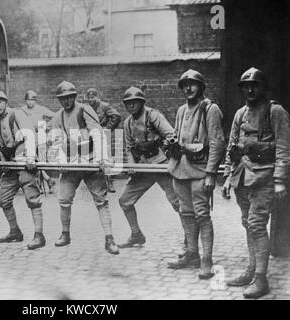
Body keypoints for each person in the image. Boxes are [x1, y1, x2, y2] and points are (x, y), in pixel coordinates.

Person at [222, 67, 290, 298]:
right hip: (242, 177)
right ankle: (251, 270)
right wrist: (227, 177)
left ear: (263, 87)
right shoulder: (240, 113)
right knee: (247, 224)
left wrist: (280, 180)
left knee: (257, 225)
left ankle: (261, 280)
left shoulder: (276, 111)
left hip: (264, 178)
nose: (250, 90)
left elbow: (283, 148)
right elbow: (232, 147)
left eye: (255, 85)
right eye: (245, 86)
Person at [47, 80, 119, 255]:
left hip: (91, 161)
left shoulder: (84, 109)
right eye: (62, 98)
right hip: (72, 163)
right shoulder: (58, 116)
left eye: (69, 97)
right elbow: (53, 136)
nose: (66, 101)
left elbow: (97, 131)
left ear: (74, 96)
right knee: (63, 200)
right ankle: (65, 234)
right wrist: (53, 147)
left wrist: (102, 158)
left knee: (101, 201)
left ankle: (109, 239)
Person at [166, 70, 225, 280]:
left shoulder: (211, 109)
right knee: (186, 214)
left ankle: (206, 260)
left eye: (192, 84)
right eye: (185, 85)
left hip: (200, 171)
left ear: (201, 87)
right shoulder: (182, 110)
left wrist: (211, 174)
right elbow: (176, 134)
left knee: (202, 215)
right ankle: (192, 254)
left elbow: (217, 142)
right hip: (180, 170)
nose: (188, 88)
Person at [118, 86, 182, 250]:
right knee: (125, 201)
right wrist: (132, 165)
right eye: (128, 103)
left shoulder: (153, 115)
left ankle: (190, 240)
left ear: (141, 102)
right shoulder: (127, 123)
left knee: (177, 202)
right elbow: (129, 148)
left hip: (161, 164)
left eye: (134, 102)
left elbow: (171, 135)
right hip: (144, 167)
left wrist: (167, 155)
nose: (131, 106)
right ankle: (136, 235)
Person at [0, 89, 46, 250]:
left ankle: (39, 235)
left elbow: (30, 134)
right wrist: (3, 165)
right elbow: (1, 147)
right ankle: (15, 231)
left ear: (6, 102)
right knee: (3, 200)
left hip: (25, 163)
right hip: (11, 166)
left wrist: (30, 157)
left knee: (33, 199)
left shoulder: (17, 114)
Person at [86, 88, 121, 193]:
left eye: (93, 97)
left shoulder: (104, 106)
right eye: (89, 97)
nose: (91, 99)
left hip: (104, 134)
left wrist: (108, 128)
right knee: (94, 157)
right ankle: (97, 182)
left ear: (97, 97)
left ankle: (110, 182)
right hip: (92, 135)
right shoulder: (87, 108)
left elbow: (116, 116)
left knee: (107, 157)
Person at [20, 90, 56, 194]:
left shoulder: (41, 109)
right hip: (28, 139)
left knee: (39, 161)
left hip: (39, 137)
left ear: (35, 100)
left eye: (33, 100)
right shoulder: (22, 110)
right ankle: (48, 180)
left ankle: (42, 184)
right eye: (28, 100)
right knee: (33, 161)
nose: (30, 102)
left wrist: (46, 126)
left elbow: (55, 116)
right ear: (25, 100)